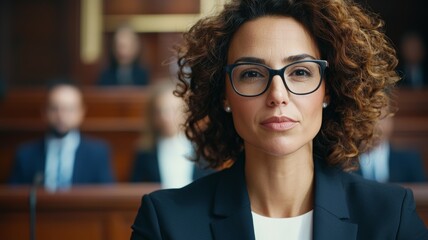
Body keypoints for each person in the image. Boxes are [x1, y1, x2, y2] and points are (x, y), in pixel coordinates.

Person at [131, 0, 428, 239]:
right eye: (251, 74)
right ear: (224, 95)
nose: (278, 95)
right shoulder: (166, 222)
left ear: (328, 89)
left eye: (300, 72)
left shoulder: (391, 217)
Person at [9, 79, 115, 190]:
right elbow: (13, 198)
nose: (61, 115)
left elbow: (107, 198)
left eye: (69, 109)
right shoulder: (26, 154)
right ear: (44, 112)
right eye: (54, 108)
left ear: (81, 112)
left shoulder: (97, 154)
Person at [130, 80, 213, 188]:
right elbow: (135, 190)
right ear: (153, 116)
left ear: (185, 112)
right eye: (160, 111)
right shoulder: (144, 153)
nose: (166, 117)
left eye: (173, 110)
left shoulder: (202, 149)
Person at [356, 103, 426, 183]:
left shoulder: (410, 161)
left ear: (391, 120)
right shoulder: (345, 165)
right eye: (368, 119)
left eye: (381, 118)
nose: (376, 126)